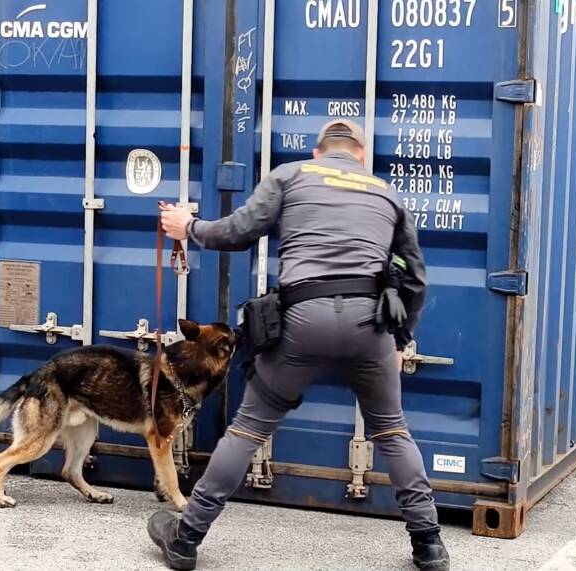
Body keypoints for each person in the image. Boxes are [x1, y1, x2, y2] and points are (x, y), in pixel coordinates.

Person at [149, 119, 449, 571]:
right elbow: (416, 278)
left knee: (248, 429)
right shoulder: (386, 193)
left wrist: (187, 226)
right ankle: (429, 544)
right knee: (391, 430)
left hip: (303, 319)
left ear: (317, 152)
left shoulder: (291, 175)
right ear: (361, 155)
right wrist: (400, 340)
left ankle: (186, 537)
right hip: (369, 326)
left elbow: (237, 232)